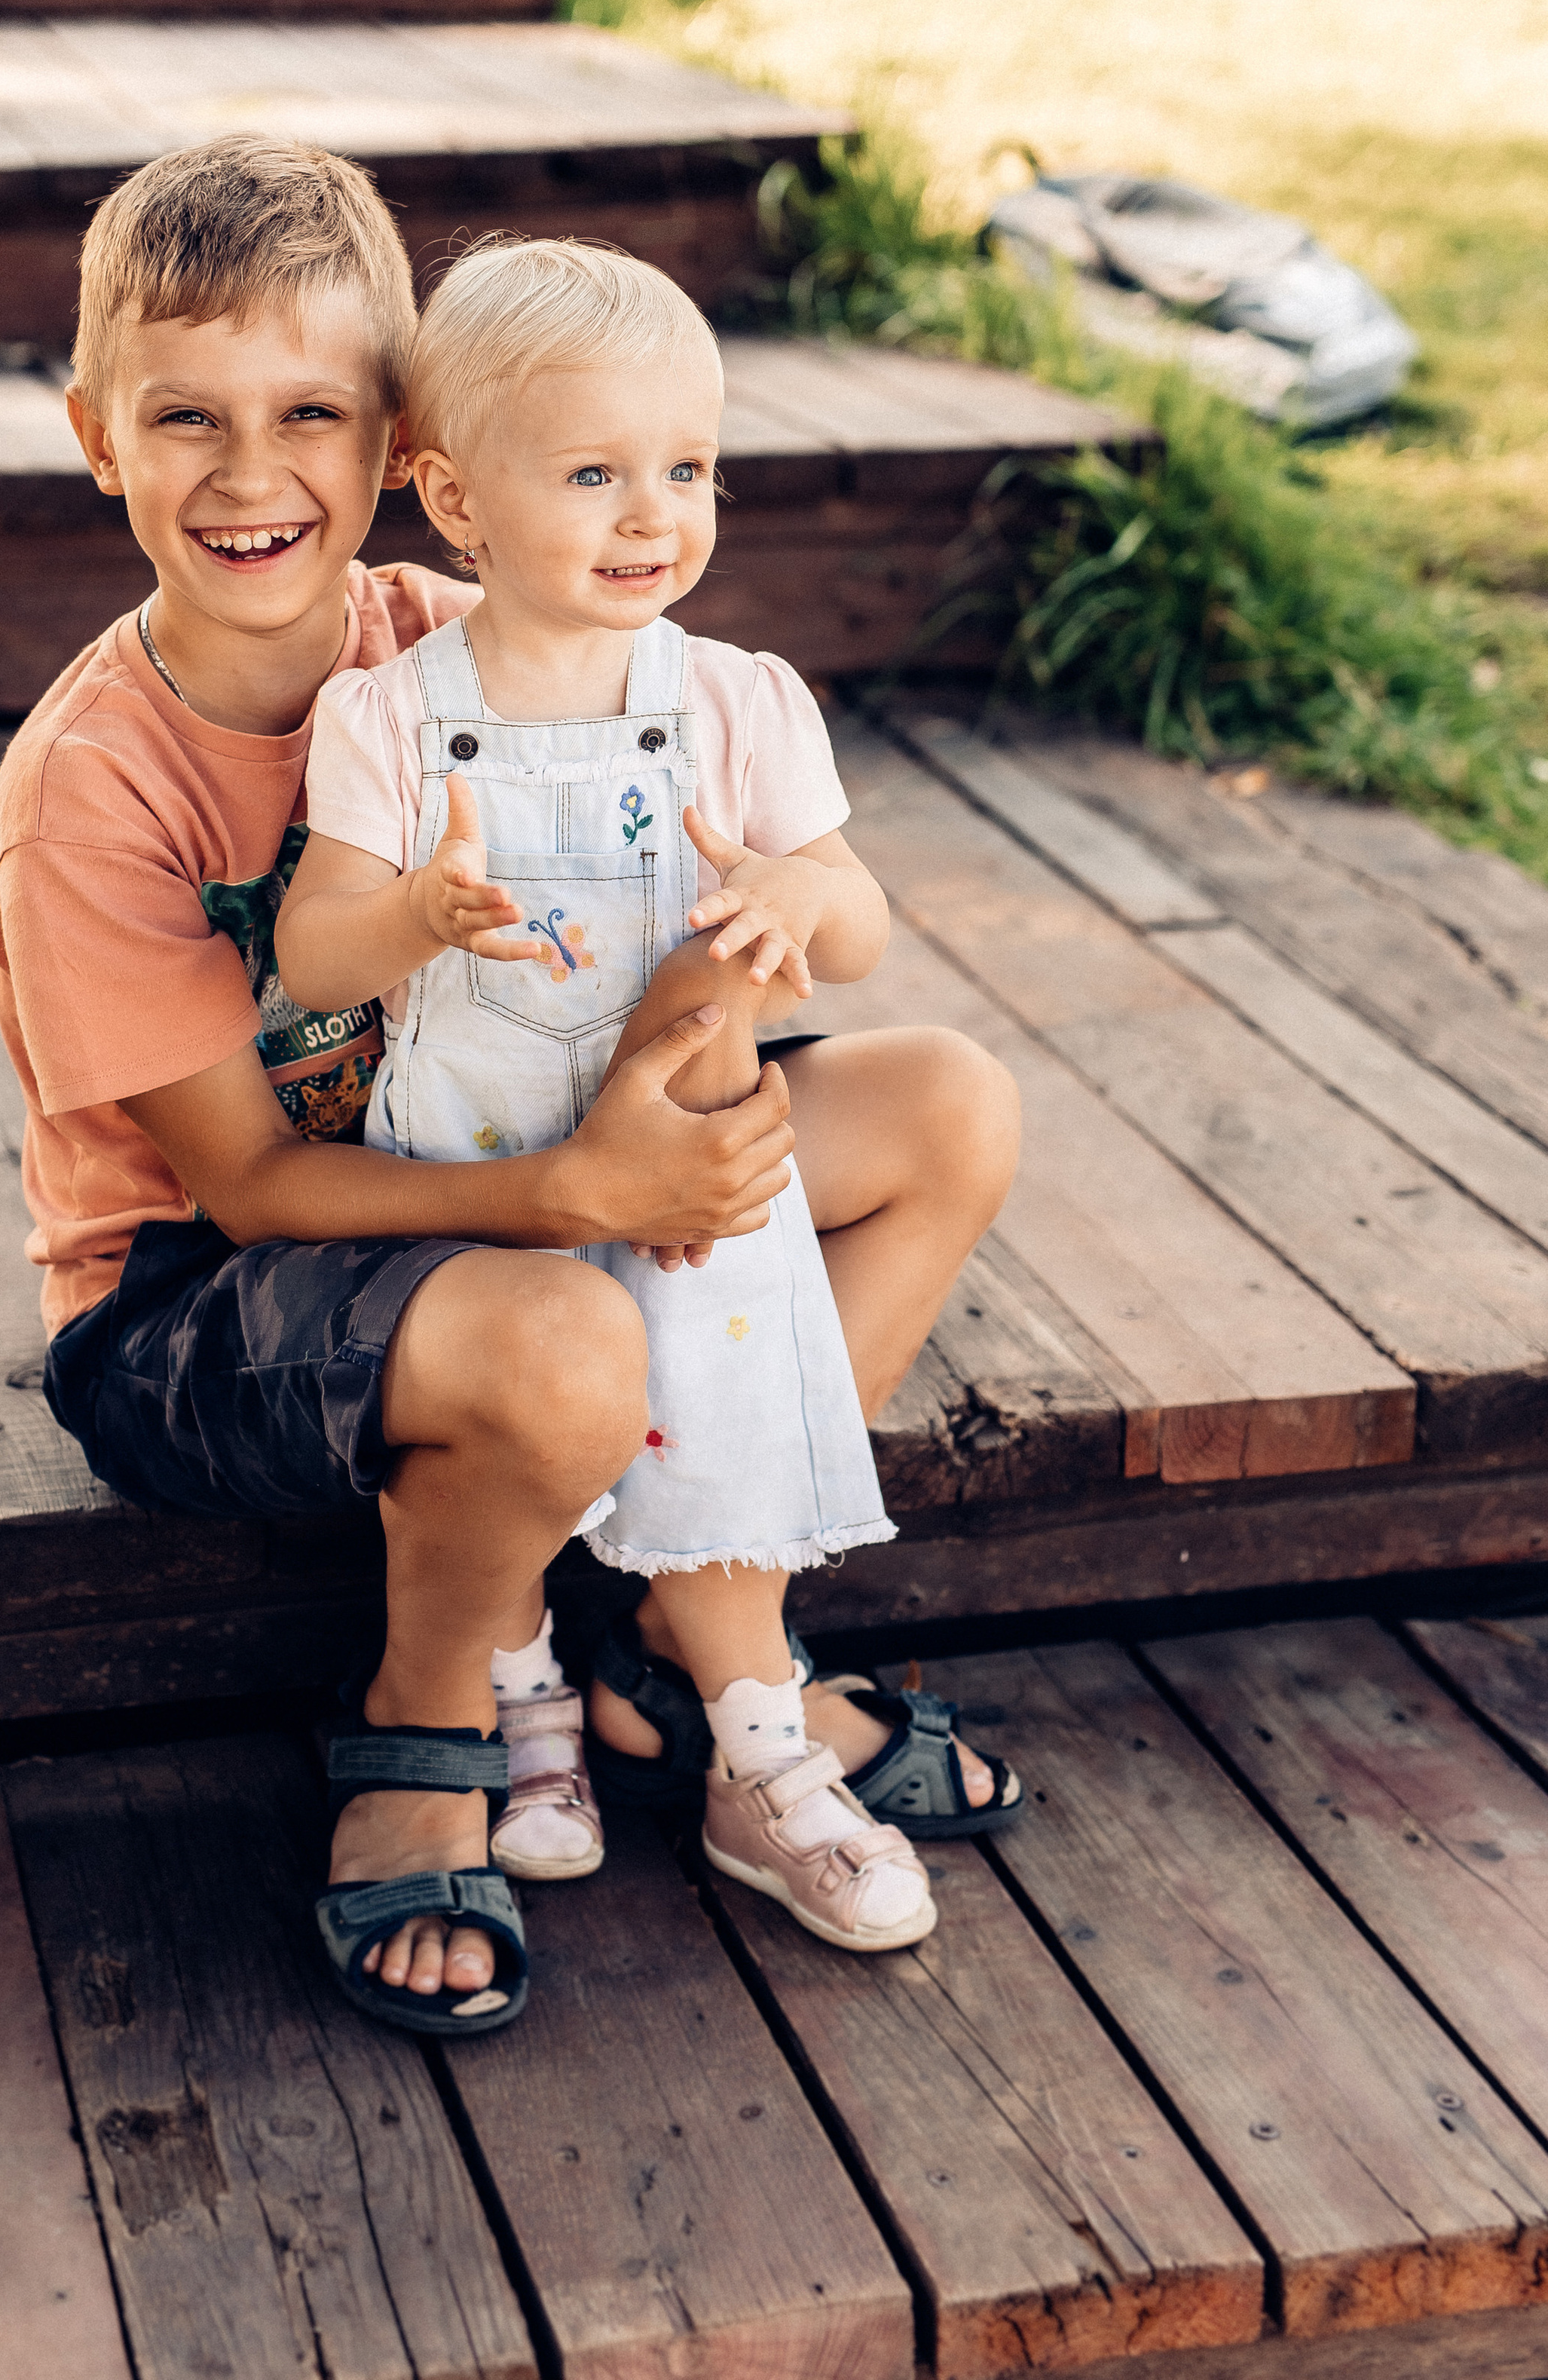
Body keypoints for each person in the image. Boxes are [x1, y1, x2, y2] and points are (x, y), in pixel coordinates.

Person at [0, 133, 1021, 2038]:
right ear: (97, 438)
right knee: (558, 1339)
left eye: (311, 415)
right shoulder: (93, 796)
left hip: (517, 1147)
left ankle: (680, 1615)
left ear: (399, 453)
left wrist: (747, 925)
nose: (252, 473)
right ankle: (421, 1724)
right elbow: (249, 1191)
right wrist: (590, 1196)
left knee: (940, 1103)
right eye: (184, 418)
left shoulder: (439, 639)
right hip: (197, 1290)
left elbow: (687, 766)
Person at [277, 234, 1023, 1967]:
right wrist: (412, 915)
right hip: (487, 1159)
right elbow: (319, 952)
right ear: (455, 499)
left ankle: (748, 1736)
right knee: (529, 1388)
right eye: (595, 472)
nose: (651, 515)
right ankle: (524, 1677)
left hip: (691, 1143)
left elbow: (852, 921)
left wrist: (786, 892)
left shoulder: (736, 701)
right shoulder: (387, 717)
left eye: (685, 468)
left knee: (714, 1378)